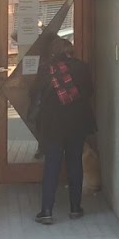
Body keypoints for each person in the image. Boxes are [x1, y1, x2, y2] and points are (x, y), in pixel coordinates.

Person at [29, 38, 96, 225]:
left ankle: (46, 210)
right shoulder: (81, 68)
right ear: (70, 51)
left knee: (52, 165)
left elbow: (34, 94)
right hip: (76, 123)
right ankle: (75, 208)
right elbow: (89, 91)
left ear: (53, 51)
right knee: (75, 163)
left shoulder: (46, 69)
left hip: (53, 125)